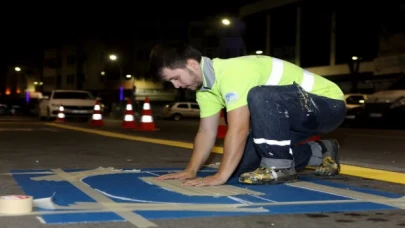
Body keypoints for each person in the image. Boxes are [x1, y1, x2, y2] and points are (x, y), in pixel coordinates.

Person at [149, 42, 346, 186]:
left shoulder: (233, 72)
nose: (177, 85)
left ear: (191, 64)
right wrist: (190, 170)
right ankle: (319, 151)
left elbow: (239, 129)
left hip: (327, 105)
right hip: (291, 118)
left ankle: (278, 166)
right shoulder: (205, 91)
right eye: (171, 83)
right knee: (242, 167)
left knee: (260, 95)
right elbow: (206, 132)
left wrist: (220, 176)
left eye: (175, 78)